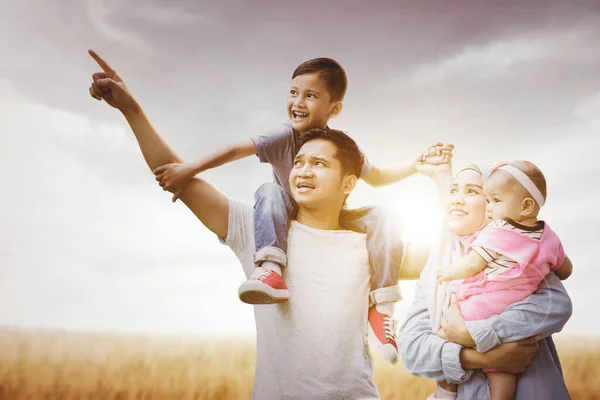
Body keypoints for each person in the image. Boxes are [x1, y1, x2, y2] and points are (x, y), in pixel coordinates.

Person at [86, 49, 447, 399]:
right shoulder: (259, 232)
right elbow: (177, 175)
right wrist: (130, 108)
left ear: (349, 183)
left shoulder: (372, 243)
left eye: (319, 164)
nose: (303, 170)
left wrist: (440, 178)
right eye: (300, 161)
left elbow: (458, 255)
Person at [398, 160, 573, 400]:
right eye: (453, 191)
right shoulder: (438, 270)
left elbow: (557, 307)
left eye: (472, 191)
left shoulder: (521, 256)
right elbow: (412, 349)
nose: (458, 198)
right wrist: (483, 357)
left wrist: (476, 333)